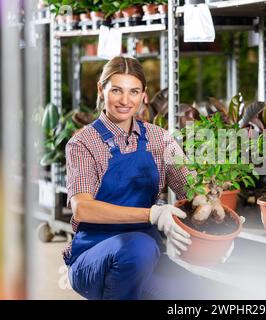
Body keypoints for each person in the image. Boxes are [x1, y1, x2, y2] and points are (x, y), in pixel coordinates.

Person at [63, 56, 224, 300]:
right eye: (116, 90)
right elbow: (83, 208)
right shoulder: (83, 143)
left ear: (144, 95)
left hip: (147, 256)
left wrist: (219, 226)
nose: (125, 101)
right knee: (139, 247)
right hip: (93, 256)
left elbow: (191, 189)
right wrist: (152, 214)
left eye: (133, 91)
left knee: (204, 295)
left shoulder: (160, 139)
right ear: (101, 89)